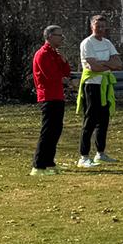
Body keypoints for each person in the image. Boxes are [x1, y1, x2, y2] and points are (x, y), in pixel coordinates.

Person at [76, 13, 123, 168]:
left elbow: (118, 64)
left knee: (104, 120)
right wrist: (108, 64)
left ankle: (100, 153)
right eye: (98, 26)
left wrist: (103, 63)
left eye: (103, 26)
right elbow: (93, 67)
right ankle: (84, 156)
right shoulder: (87, 43)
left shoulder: (107, 43)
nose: (101, 29)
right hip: (92, 85)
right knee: (90, 120)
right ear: (92, 26)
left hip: (105, 84)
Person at [30, 24, 71, 176]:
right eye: (59, 35)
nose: (62, 38)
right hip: (48, 96)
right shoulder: (42, 54)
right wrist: (66, 81)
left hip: (58, 96)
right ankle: (38, 165)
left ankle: (49, 162)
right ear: (49, 37)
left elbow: (65, 72)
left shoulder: (55, 54)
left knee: (56, 130)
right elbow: (51, 76)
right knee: (47, 131)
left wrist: (64, 61)